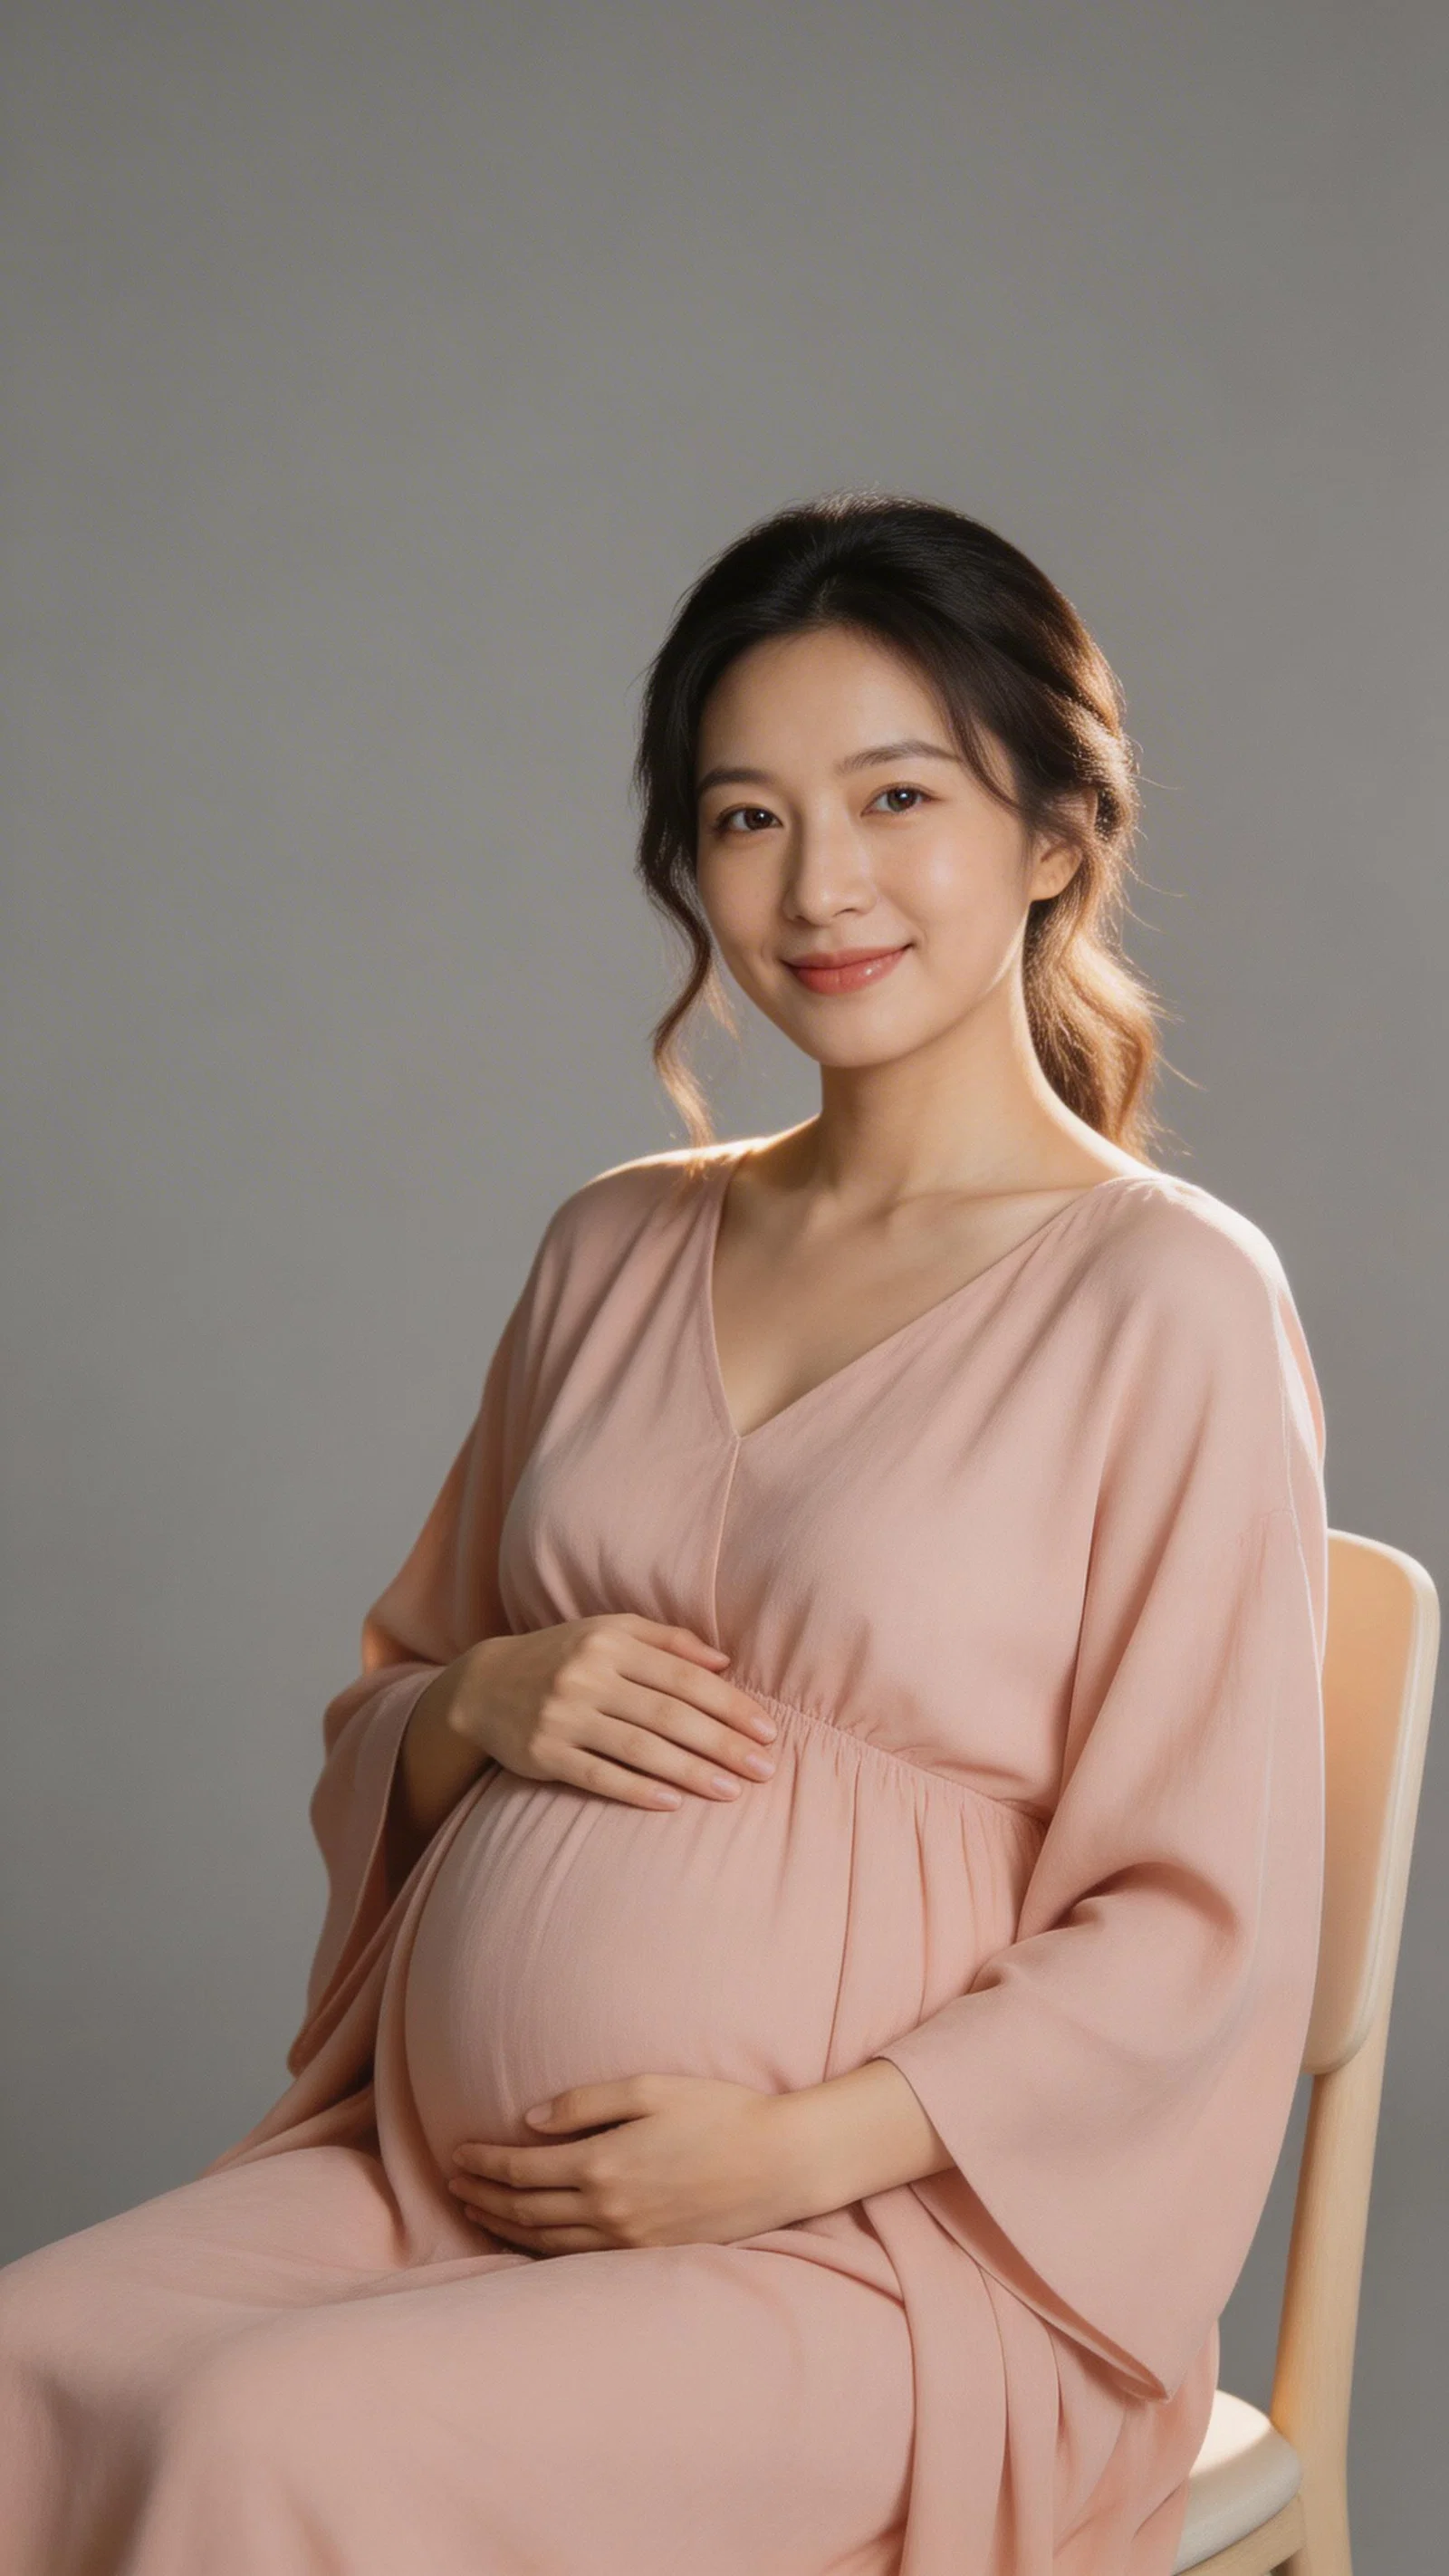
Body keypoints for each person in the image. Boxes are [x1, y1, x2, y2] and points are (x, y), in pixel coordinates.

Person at [0, 492, 1329, 2576]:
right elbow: (393, 1705)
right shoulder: (610, 1241)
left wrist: (790, 2150)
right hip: (458, 2174)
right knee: (16, 2371)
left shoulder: (1161, 1300)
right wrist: (479, 1705)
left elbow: (1194, 1925)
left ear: (1057, 832)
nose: (820, 886)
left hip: (889, 2253)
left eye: (895, 796)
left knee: (272, 2446)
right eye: (742, 819)